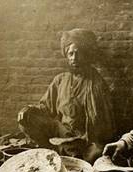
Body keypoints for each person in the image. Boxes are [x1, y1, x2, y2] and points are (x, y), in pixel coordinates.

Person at [17, 28, 115, 163]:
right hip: (61, 131)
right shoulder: (60, 80)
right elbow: (45, 107)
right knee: (27, 118)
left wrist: (86, 138)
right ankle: (53, 150)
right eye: (71, 54)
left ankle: (68, 154)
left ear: (86, 55)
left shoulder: (96, 83)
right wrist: (28, 109)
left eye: (78, 53)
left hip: (83, 138)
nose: (74, 58)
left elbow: (103, 123)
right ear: (66, 55)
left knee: (97, 153)